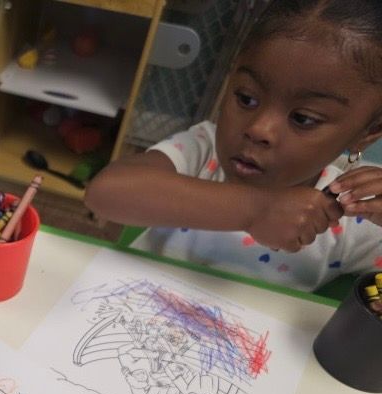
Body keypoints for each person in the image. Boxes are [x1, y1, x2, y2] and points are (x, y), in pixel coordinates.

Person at [85, 0, 382, 292]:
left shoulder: (353, 211)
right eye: (246, 98)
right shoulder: (203, 151)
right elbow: (104, 193)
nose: (258, 129)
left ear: (368, 133)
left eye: (303, 118)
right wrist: (256, 210)